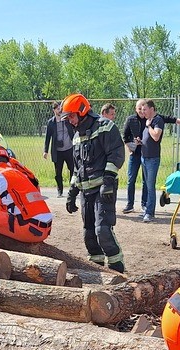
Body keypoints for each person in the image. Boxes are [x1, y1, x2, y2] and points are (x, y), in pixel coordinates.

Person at [63, 93, 127, 272]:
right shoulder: (77, 136)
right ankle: (96, 268)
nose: (70, 121)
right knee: (89, 234)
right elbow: (77, 168)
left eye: (71, 116)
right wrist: (72, 193)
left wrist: (107, 182)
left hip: (103, 189)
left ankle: (117, 268)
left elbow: (116, 154)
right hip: (86, 191)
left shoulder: (105, 126)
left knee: (103, 231)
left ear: (82, 112)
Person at [122, 100, 180, 215]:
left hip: (149, 155)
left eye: (144, 109)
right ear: (136, 109)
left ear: (149, 109)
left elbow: (169, 120)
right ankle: (130, 204)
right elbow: (125, 136)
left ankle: (145, 205)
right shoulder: (131, 120)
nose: (142, 112)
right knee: (131, 179)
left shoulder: (153, 119)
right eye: (140, 109)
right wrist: (132, 145)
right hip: (136, 154)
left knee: (146, 183)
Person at [43, 101, 75, 198]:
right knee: (58, 173)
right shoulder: (51, 122)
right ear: (54, 110)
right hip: (57, 151)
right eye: (58, 108)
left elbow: (74, 128)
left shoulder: (67, 119)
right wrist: (45, 151)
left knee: (73, 169)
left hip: (69, 148)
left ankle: (72, 190)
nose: (60, 110)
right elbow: (47, 137)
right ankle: (60, 191)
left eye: (61, 108)